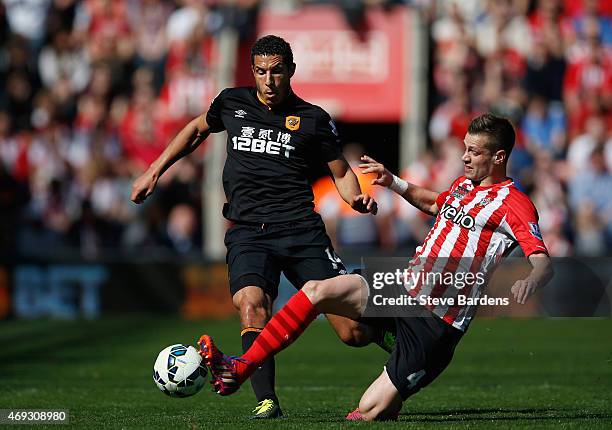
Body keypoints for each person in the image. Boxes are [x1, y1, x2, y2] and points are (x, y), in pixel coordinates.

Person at [197, 113, 554, 421]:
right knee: (316, 291)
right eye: (464, 148)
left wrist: (532, 277)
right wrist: (394, 181)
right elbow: (436, 204)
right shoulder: (464, 185)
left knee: (368, 411)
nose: (464, 157)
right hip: (402, 287)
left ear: (499, 157)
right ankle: (240, 368)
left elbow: (542, 260)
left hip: (436, 323)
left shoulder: (515, 204)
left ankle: (397, 367)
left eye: (473, 152)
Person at [130, 35, 382, 419]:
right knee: (251, 305)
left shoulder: (313, 118)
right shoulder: (232, 101)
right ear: (253, 72)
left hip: (301, 231)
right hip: (249, 231)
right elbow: (196, 130)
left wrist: (355, 199)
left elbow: (341, 172)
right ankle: (267, 400)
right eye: (262, 72)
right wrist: (154, 171)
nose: (269, 80)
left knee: (353, 334)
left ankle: (388, 324)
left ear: (291, 71)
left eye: (277, 71)